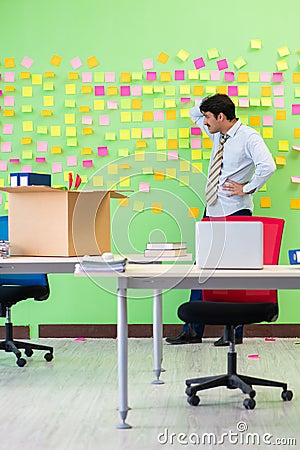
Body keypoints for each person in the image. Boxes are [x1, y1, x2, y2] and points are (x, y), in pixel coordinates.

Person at [166, 93, 276, 346]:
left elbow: (267, 166)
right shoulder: (218, 133)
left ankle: (232, 333)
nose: (203, 122)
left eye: (208, 117)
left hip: (235, 211)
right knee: (201, 270)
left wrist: (246, 188)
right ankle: (193, 331)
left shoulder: (249, 137)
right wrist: (207, 100)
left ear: (221, 117)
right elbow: (195, 113)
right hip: (213, 209)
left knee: (232, 274)